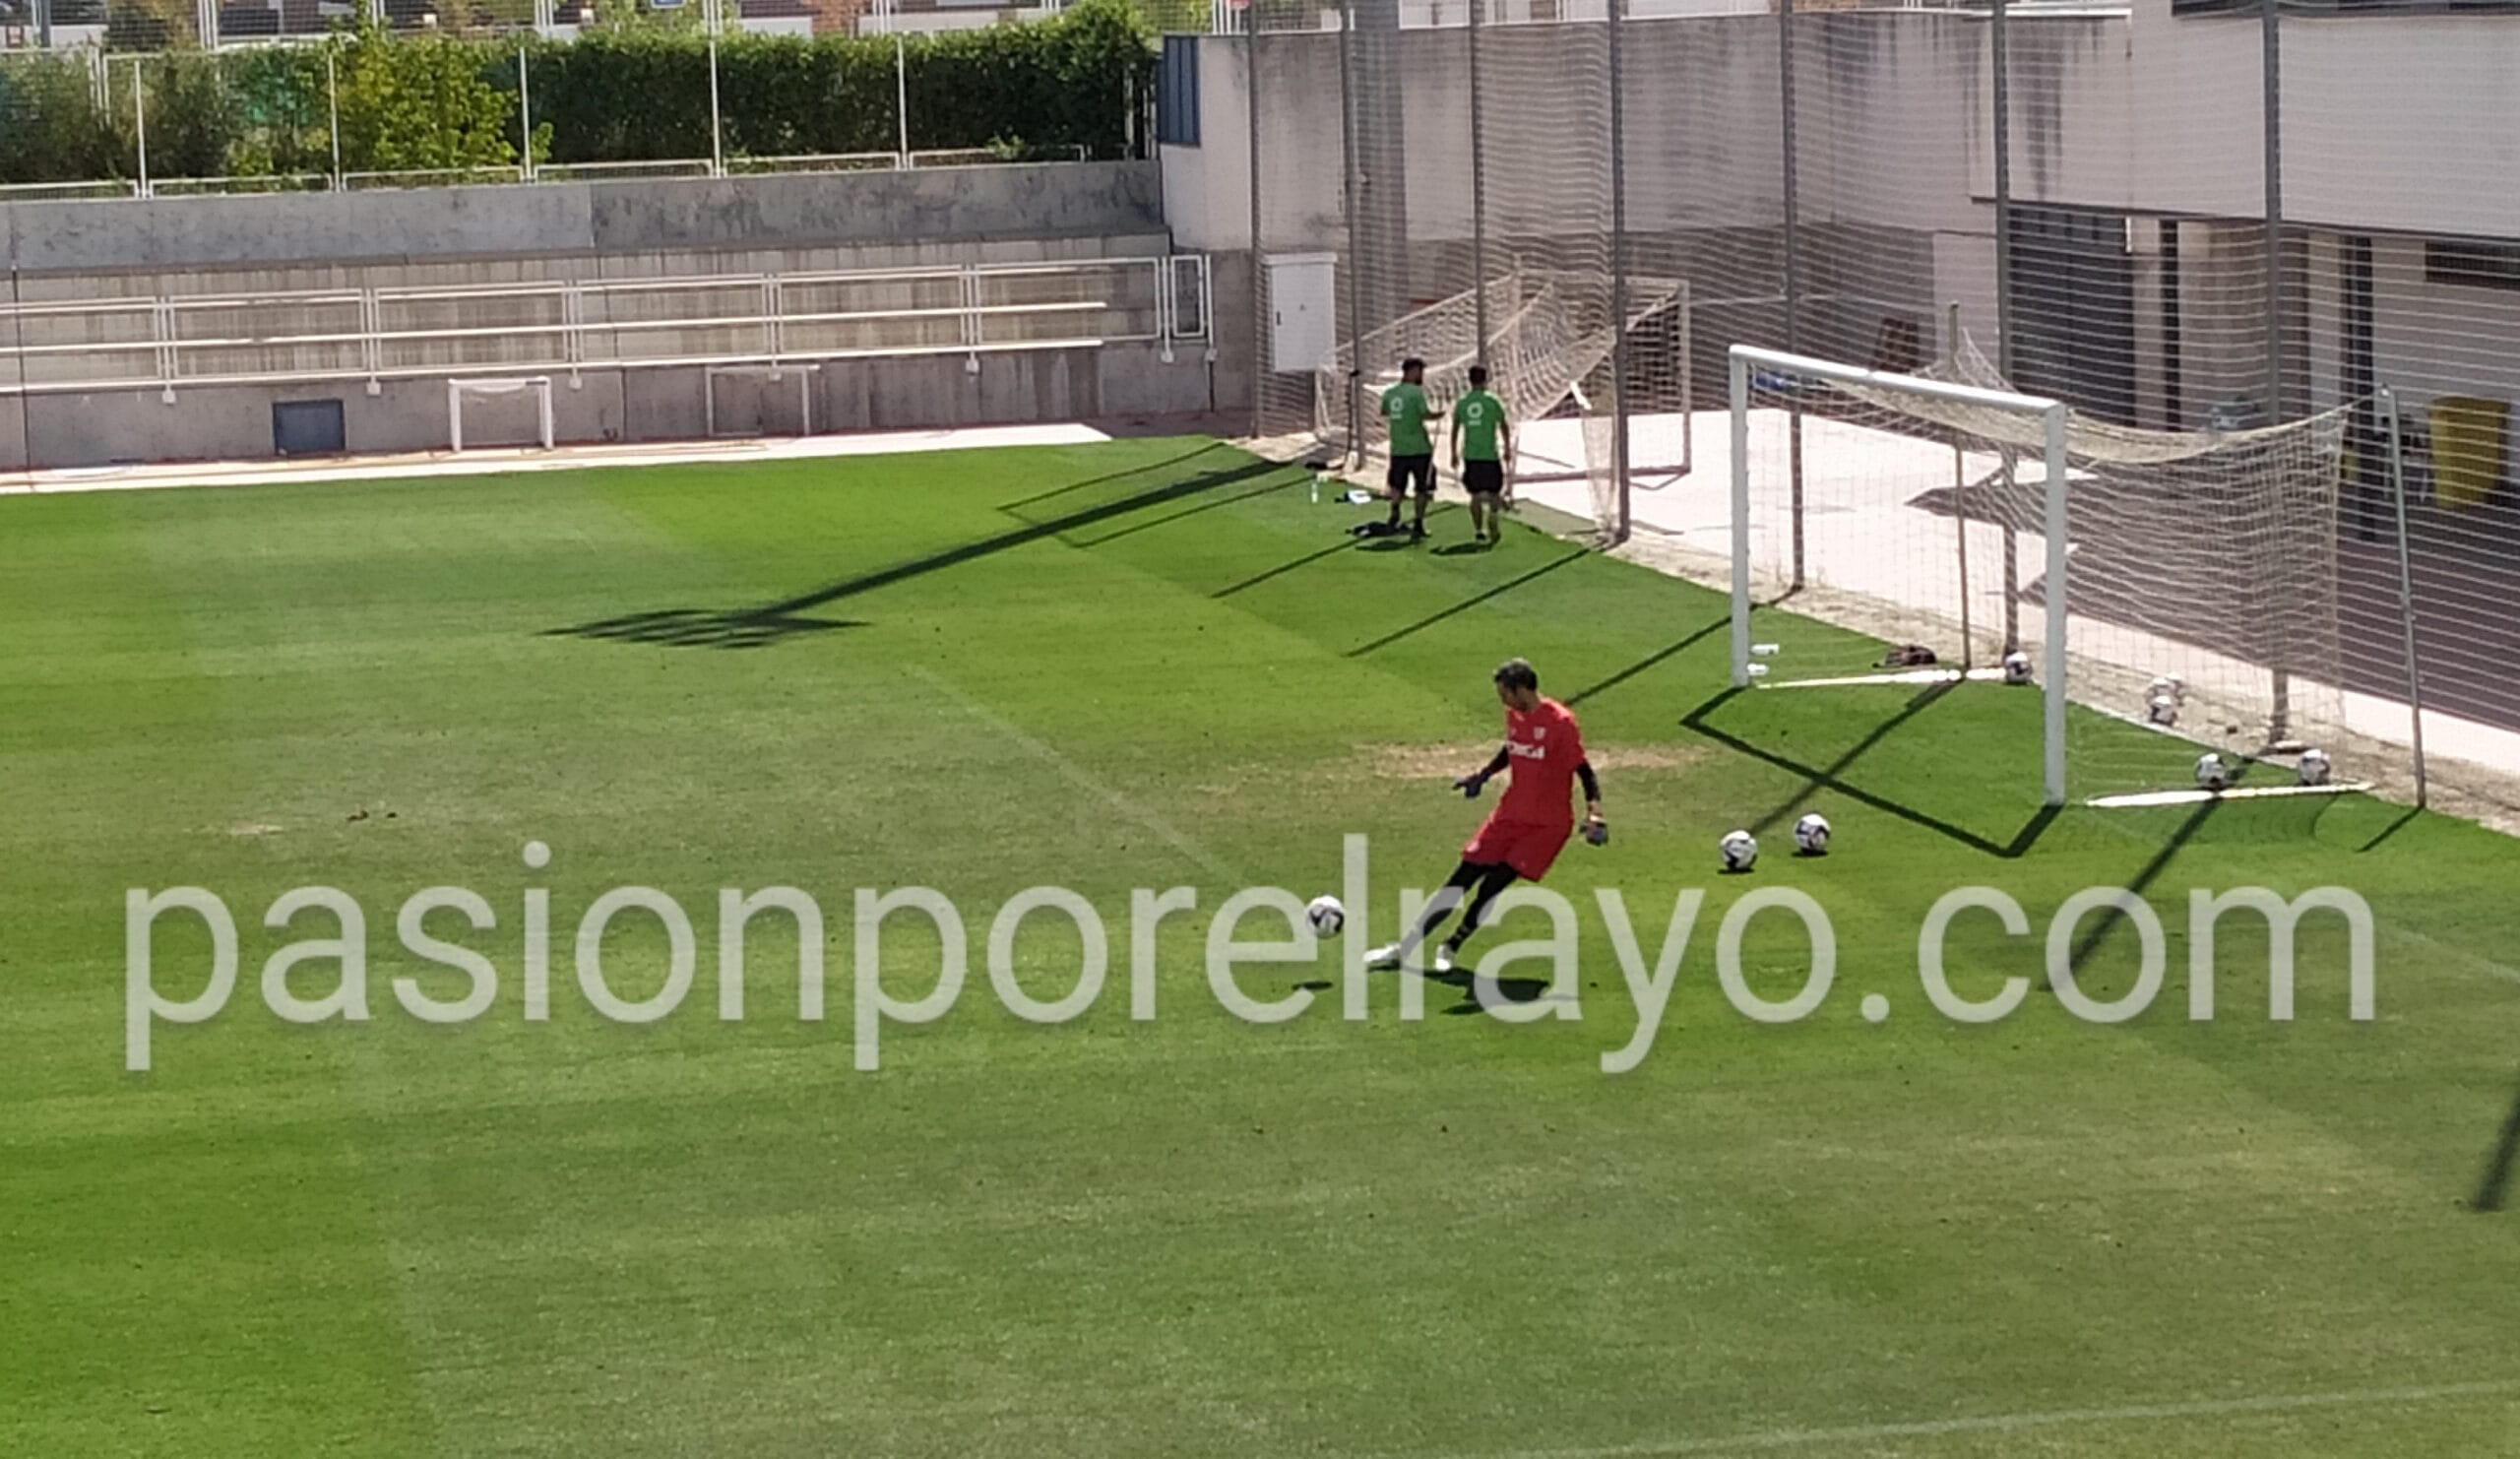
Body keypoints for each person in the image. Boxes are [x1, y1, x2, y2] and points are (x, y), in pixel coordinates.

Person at [1367, 658, 1606, 974]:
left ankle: (1453, 943)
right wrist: (1483, 775)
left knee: (1492, 886)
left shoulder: (1560, 723)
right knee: (1459, 880)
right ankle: (1403, 948)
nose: (1502, 701)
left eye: (1505, 694)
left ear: (1522, 690)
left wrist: (1595, 816)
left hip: (1545, 827)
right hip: (1508, 816)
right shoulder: (1515, 715)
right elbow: (1511, 748)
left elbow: (1585, 772)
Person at [1378, 357, 1442, 539]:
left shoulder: (1390, 393)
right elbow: (1425, 414)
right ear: (1412, 371)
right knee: (1422, 488)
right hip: (1419, 448)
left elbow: (1384, 412)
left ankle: (1394, 512)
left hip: (1398, 447)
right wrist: (1438, 415)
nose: (1421, 375)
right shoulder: (1415, 393)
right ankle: (1419, 523)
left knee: (1397, 485)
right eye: (1419, 371)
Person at [1450, 364, 1513, 546]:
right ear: (1486, 379)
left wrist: (1453, 452)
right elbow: (1503, 425)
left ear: (1470, 381)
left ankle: (1478, 530)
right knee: (1494, 492)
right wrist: (1507, 448)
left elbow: (1455, 428)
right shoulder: (1492, 401)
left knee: (1475, 495)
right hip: (1490, 453)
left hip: (1470, 454)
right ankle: (1493, 515)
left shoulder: (1463, 402)